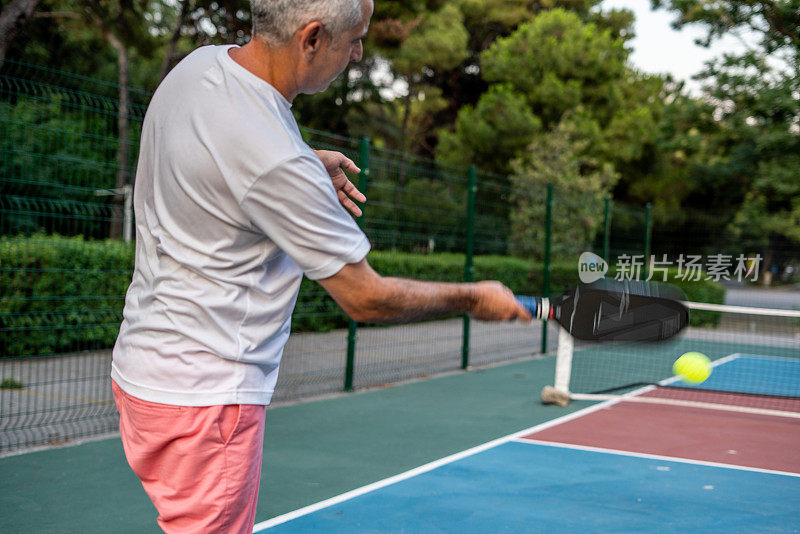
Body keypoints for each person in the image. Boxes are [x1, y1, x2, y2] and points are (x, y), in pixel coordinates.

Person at [110, 0, 531, 531]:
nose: (357, 55)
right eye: (354, 39)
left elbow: (222, 156)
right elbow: (366, 297)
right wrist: (474, 298)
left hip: (140, 372)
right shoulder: (277, 161)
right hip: (206, 398)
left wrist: (304, 160)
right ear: (311, 38)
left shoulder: (197, 68)